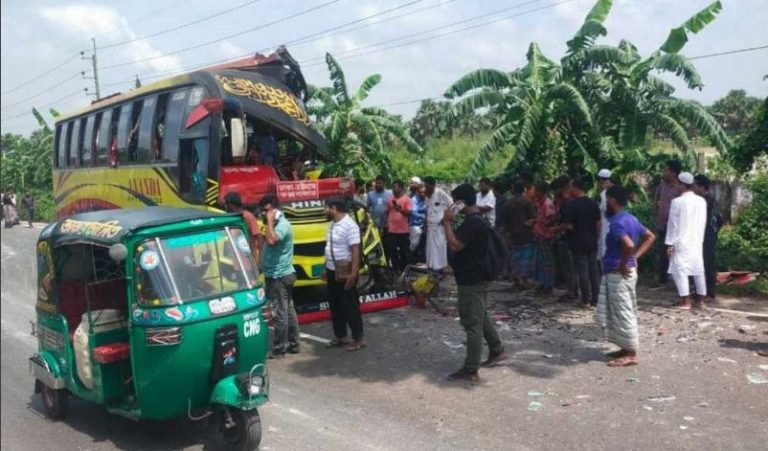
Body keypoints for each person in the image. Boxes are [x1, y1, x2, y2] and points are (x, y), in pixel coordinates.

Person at [442, 183, 505, 381]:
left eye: (454, 202)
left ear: (460, 203)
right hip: (476, 277)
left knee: (472, 323)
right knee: (481, 316)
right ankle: (496, 349)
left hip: (472, 279)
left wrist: (447, 222)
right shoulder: (478, 219)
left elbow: (455, 244)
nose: (452, 205)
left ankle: (471, 369)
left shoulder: (473, 223)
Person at [595, 185, 655, 367]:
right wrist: (634, 259)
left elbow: (628, 245)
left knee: (623, 311)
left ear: (612, 200)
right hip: (627, 271)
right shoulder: (631, 218)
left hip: (618, 273)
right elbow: (650, 236)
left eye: (607, 200)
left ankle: (631, 353)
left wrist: (623, 263)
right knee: (621, 309)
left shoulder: (617, 223)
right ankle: (625, 346)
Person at [323, 197, 365, 352]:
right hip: (332, 270)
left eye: (326, 208)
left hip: (346, 271)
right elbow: (330, 247)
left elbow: (355, 250)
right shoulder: (332, 225)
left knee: (350, 306)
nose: (324, 211)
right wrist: (324, 267)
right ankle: (341, 337)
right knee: (335, 306)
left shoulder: (350, 225)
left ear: (333, 208)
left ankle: (359, 339)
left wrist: (353, 273)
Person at [260, 194, 299, 358]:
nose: (264, 214)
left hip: (280, 275)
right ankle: (293, 343)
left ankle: (279, 347)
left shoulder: (282, 224)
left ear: (275, 210)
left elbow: (272, 240)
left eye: (267, 210)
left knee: (281, 312)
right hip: (278, 274)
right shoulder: (274, 224)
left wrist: (269, 220)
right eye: (262, 211)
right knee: (288, 309)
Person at [665, 172, 708, 309]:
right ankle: (701, 300)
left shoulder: (677, 202)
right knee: (698, 269)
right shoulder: (701, 201)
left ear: (682, 184)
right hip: (696, 240)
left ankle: (686, 301)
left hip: (681, 240)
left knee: (680, 270)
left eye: (678, 184)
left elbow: (673, 224)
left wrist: (670, 243)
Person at [561, 178, 601, 307]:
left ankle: (585, 299)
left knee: (582, 271)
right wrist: (596, 237)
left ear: (576, 188)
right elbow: (598, 223)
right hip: (592, 240)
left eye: (571, 187)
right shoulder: (593, 203)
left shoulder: (572, 205)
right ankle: (596, 298)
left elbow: (568, 225)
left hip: (578, 241)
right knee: (593, 270)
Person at [651, 160, 682, 289]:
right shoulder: (662, 185)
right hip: (663, 225)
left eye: (666, 170)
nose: (663, 173)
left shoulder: (680, 187)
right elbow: (656, 199)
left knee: (678, 253)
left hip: (676, 228)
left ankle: (679, 282)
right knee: (662, 252)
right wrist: (655, 210)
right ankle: (662, 280)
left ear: (673, 173)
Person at [693, 174, 723, 302]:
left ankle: (709, 292)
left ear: (701, 186)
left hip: (706, 235)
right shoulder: (711, 199)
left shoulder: (705, 201)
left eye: (694, 185)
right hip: (709, 234)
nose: (693, 188)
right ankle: (703, 291)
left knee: (707, 263)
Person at [504, 181, 536, 289]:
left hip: (513, 234)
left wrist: (507, 233)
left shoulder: (508, 203)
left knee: (515, 256)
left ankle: (516, 278)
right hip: (525, 233)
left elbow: (505, 220)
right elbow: (532, 218)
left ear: (513, 190)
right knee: (525, 257)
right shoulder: (526, 201)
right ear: (523, 190)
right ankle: (524, 279)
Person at [531, 182, 556, 295]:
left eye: (537, 190)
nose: (535, 193)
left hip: (545, 235)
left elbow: (552, 218)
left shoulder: (547, 204)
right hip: (539, 234)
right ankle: (543, 283)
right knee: (541, 261)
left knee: (547, 261)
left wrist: (545, 224)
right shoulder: (539, 203)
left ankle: (548, 285)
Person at [224, 191, 261, 264]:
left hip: (249, 263)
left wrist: (258, 263)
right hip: (236, 263)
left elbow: (257, 240)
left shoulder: (248, 217)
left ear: (230, 205)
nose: (224, 206)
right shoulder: (229, 218)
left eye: (225, 204)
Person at [424, 176, 452, 272]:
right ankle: (431, 268)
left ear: (433, 185)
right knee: (431, 250)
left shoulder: (440, 193)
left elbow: (452, 205)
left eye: (428, 186)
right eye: (425, 186)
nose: (426, 188)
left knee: (440, 249)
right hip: (431, 227)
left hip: (440, 227)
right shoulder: (427, 196)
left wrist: (446, 219)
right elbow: (427, 211)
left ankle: (440, 270)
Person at [385, 181, 413, 273]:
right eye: (393, 187)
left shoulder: (406, 199)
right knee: (392, 252)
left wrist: (400, 210)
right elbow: (387, 211)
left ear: (401, 188)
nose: (393, 189)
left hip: (403, 231)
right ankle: (396, 270)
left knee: (404, 252)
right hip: (392, 231)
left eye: (395, 187)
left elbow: (409, 213)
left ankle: (405, 271)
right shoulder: (390, 199)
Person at [596, 169, 615, 264]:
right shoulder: (604, 193)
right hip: (606, 224)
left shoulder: (605, 194)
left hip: (607, 224)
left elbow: (605, 208)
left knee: (605, 248)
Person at [408, 181, 427, 264]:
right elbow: (413, 212)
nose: (422, 194)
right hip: (416, 225)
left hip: (427, 224)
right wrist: (422, 216)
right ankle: (409, 260)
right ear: (417, 192)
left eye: (424, 192)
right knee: (414, 244)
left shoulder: (428, 198)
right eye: (420, 192)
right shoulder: (413, 200)